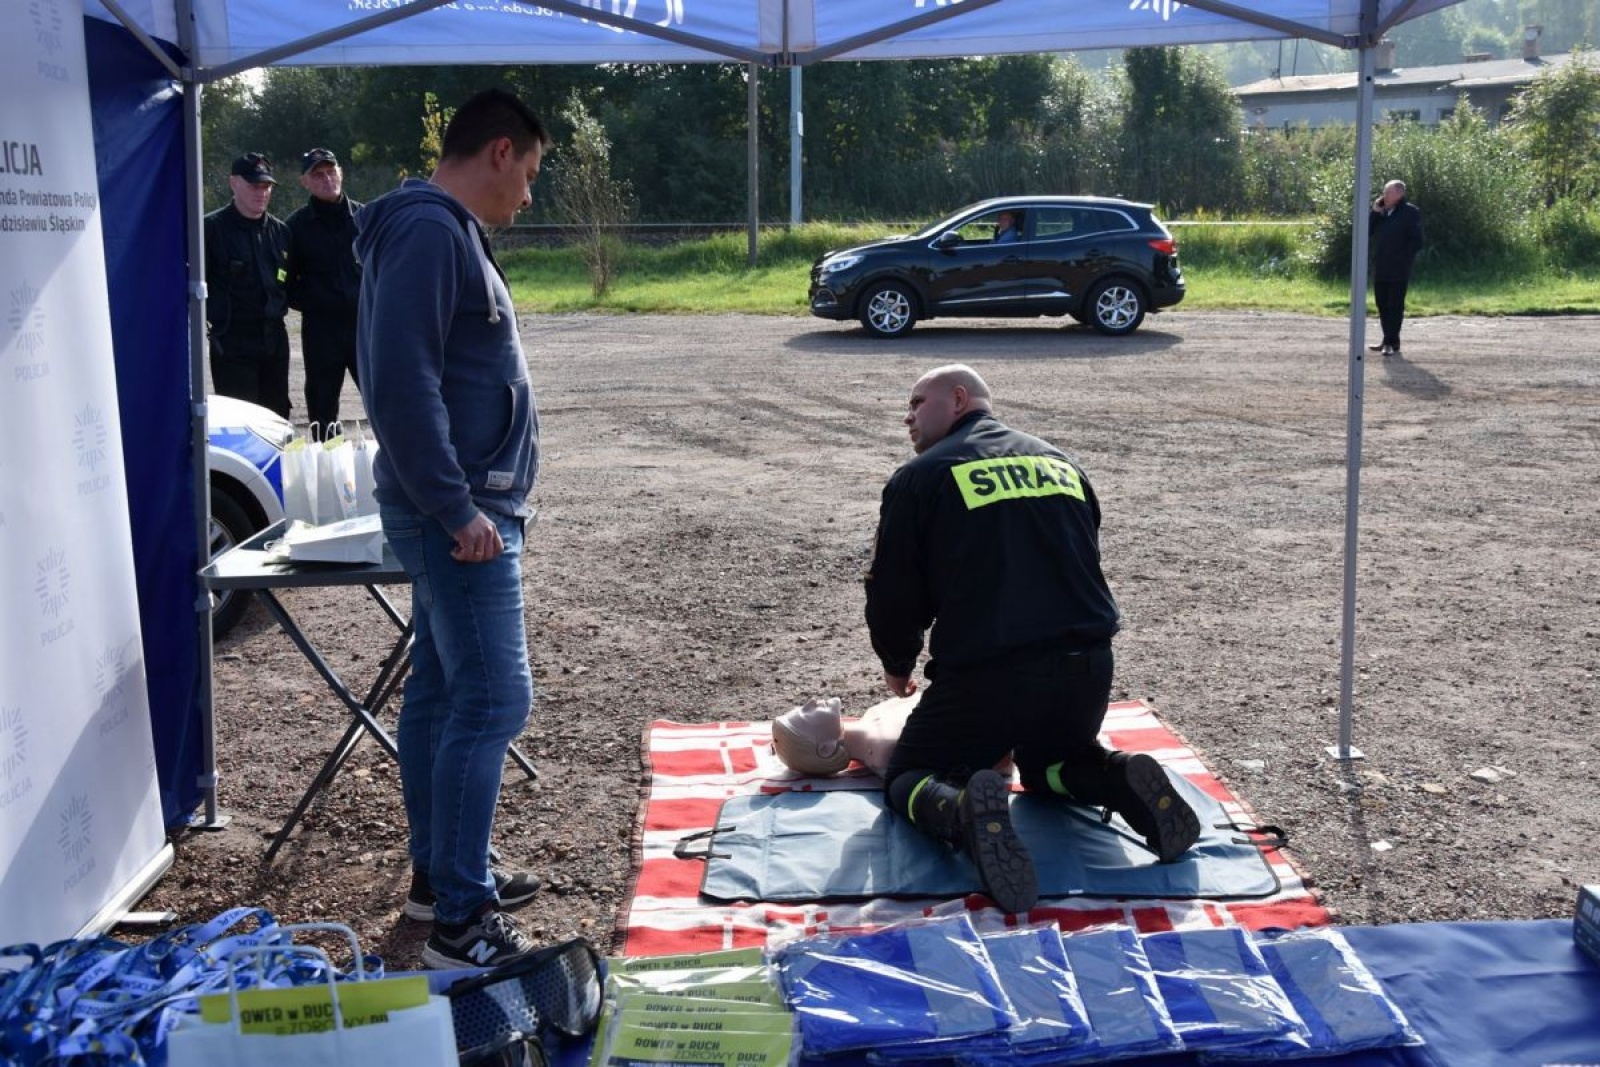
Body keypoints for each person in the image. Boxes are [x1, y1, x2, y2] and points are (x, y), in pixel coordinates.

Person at [864, 364, 1201, 914]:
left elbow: (893, 590)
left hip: (989, 676)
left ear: (957, 399)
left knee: (909, 775)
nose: (907, 417)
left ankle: (960, 813)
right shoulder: (1061, 462)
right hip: (1086, 668)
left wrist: (897, 661)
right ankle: (1117, 781)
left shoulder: (921, 476)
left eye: (916, 402)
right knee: (1048, 767)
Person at [355, 88, 551, 970]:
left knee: (440, 689)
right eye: (533, 175)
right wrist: (456, 505)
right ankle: (462, 925)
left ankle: (441, 878)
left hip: (458, 504)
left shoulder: (433, 229)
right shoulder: (432, 230)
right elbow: (400, 381)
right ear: (499, 151)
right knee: (493, 699)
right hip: (459, 512)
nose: (530, 197)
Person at [204, 152, 292, 418]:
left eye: (266, 187)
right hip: (233, 342)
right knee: (241, 420)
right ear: (234, 183)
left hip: (274, 339)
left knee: (276, 418)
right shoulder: (210, 229)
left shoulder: (280, 232)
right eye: (255, 185)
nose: (262, 193)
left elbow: (289, 281)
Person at [286, 147, 363, 439]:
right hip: (322, 331)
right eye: (317, 174)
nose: (326, 178)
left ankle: (391, 468)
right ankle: (328, 470)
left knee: (382, 399)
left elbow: (384, 269)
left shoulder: (365, 218)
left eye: (331, 171)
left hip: (363, 327)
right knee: (322, 410)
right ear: (304, 181)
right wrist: (318, 302)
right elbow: (286, 283)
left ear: (341, 173)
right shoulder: (295, 228)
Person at [1368, 179, 1424, 357]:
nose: (1384, 196)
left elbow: (1417, 241)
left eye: (1388, 193)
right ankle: (1388, 340)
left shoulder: (1410, 212)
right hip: (1381, 266)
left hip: (1399, 268)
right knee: (1382, 304)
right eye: (1384, 192)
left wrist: (1403, 257)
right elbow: (1367, 231)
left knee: (1395, 306)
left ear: (1399, 194)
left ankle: (1391, 343)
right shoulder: (1382, 213)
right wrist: (1375, 213)